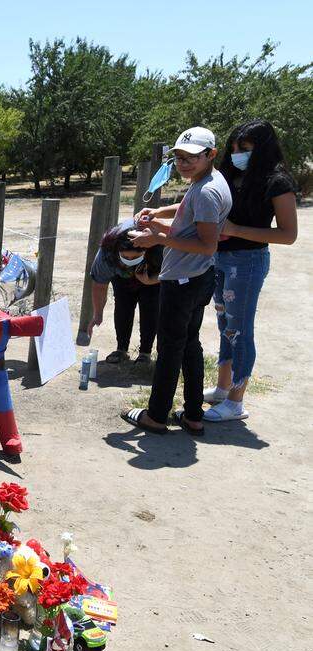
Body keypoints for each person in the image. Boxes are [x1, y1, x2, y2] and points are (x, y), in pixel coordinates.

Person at [121, 127, 231, 436]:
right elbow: (187, 213)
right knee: (188, 345)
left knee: (170, 349)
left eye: (191, 158)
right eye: (179, 158)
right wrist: (158, 212)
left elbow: (207, 244)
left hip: (185, 280)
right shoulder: (207, 182)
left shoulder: (207, 191)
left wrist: (156, 237)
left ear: (210, 154)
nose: (183, 164)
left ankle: (156, 416)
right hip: (197, 277)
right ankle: (193, 415)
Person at [203, 120, 299, 422]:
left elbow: (288, 234)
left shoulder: (277, 181)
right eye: (233, 147)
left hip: (247, 263)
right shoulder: (231, 175)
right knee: (224, 325)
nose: (236, 153)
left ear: (262, 148)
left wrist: (237, 229)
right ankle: (223, 387)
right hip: (220, 259)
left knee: (240, 329)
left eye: (243, 148)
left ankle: (236, 401)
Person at [86, 218, 163, 363]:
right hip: (121, 276)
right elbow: (99, 285)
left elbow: (171, 272)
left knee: (150, 308)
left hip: (151, 274)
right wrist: (98, 314)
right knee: (122, 305)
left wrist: (150, 280)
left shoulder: (158, 247)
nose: (129, 260)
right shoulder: (106, 254)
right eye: (125, 256)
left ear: (145, 250)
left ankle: (145, 353)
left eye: (135, 257)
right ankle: (121, 349)